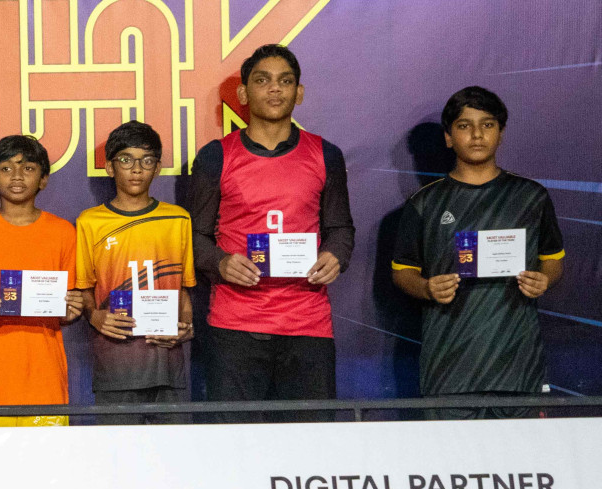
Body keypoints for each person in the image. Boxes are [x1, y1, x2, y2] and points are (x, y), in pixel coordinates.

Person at [190, 44, 354, 420]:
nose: (275, 89)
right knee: (235, 449)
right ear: (244, 93)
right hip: (236, 325)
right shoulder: (216, 155)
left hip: (307, 324)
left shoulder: (325, 154)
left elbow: (340, 227)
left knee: (309, 449)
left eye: (285, 81)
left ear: (299, 92)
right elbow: (194, 237)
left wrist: (335, 256)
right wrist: (220, 262)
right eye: (263, 81)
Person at [391, 86, 564, 419]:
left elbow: (554, 260)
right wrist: (426, 288)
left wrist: (544, 279)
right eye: (464, 125)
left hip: (518, 366)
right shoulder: (424, 203)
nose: (476, 134)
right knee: (452, 467)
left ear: (500, 134)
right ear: (448, 138)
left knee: (521, 466)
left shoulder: (531, 196)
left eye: (487, 125)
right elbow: (402, 272)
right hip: (449, 368)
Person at [76, 120, 196, 423]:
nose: (136, 169)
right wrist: (94, 315)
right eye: (126, 160)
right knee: (118, 461)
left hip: (166, 365)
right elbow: (84, 288)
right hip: (116, 365)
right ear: (109, 167)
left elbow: (183, 289)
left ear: (157, 168)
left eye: (147, 161)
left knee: (172, 460)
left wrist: (185, 326)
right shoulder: (90, 222)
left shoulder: (177, 219)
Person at [0, 134, 83, 426]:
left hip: (44, 371)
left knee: (47, 462)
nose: (17, 176)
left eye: (28, 168)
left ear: (43, 179)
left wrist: (72, 311)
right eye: (6, 168)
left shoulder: (63, 232)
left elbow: (69, 305)